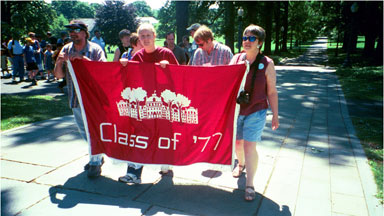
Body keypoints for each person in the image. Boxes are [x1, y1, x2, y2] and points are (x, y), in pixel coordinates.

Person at [119, 23, 178, 184]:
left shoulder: (166, 53)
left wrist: (168, 68)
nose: (145, 39)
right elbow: (131, 78)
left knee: (164, 134)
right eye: (142, 36)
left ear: (154, 36)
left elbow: (179, 77)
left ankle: (166, 164)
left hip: (164, 104)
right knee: (140, 135)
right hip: (145, 104)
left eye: (148, 35)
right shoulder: (138, 57)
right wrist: (125, 66)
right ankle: (134, 173)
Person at [229, 24, 279, 201]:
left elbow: (272, 91)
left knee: (250, 145)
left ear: (260, 43)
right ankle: (240, 164)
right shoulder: (236, 59)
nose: (247, 41)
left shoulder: (267, 63)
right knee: (237, 144)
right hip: (237, 110)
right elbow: (225, 83)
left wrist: (275, 114)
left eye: (251, 38)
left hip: (256, 110)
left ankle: (249, 184)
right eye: (244, 37)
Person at [53, 20, 107, 178]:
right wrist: (60, 61)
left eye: (76, 29)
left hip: (93, 99)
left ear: (84, 32)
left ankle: (95, 162)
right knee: (84, 131)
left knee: (94, 130)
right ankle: (96, 155)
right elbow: (59, 75)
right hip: (76, 99)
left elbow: (103, 72)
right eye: (70, 30)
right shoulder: (66, 49)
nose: (72, 32)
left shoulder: (95, 49)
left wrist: (83, 59)